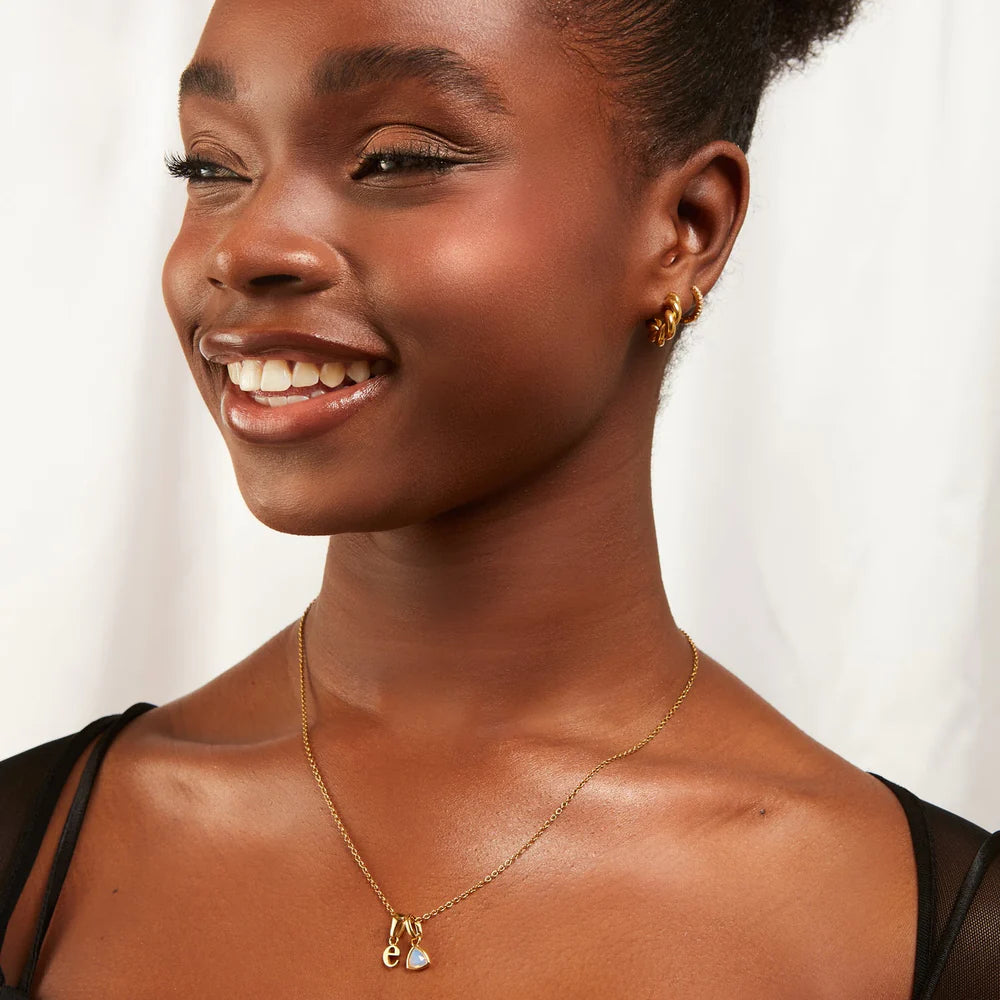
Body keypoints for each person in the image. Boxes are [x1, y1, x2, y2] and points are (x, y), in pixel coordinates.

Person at [1, 0, 997, 996]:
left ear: (684, 228)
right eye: (212, 167)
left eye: (393, 160)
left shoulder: (930, 932)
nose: (246, 246)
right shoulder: (34, 854)